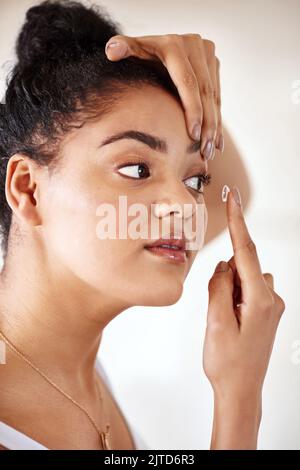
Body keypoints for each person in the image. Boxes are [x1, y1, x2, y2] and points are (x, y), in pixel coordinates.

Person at [0, 0, 285, 450]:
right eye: (136, 169)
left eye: (195, 180)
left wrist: (183, 79)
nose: (185, 206)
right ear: (28, 189)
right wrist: (240, 397)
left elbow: (234, 188)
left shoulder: (77, 373)